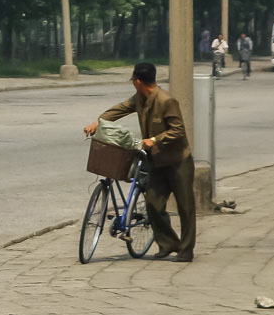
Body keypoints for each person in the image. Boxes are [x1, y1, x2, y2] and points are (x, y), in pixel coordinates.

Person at [82, 62, 195, 262]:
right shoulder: (139, 98)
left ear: (137, 81)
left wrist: (154, 139)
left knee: (185, 207)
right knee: (152, 203)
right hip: (156, 161)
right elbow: (119, 110)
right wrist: (98, 122)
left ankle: (186, 250)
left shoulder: (166, 100)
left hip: (178, 161)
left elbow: (178, 130)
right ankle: (168, 244)